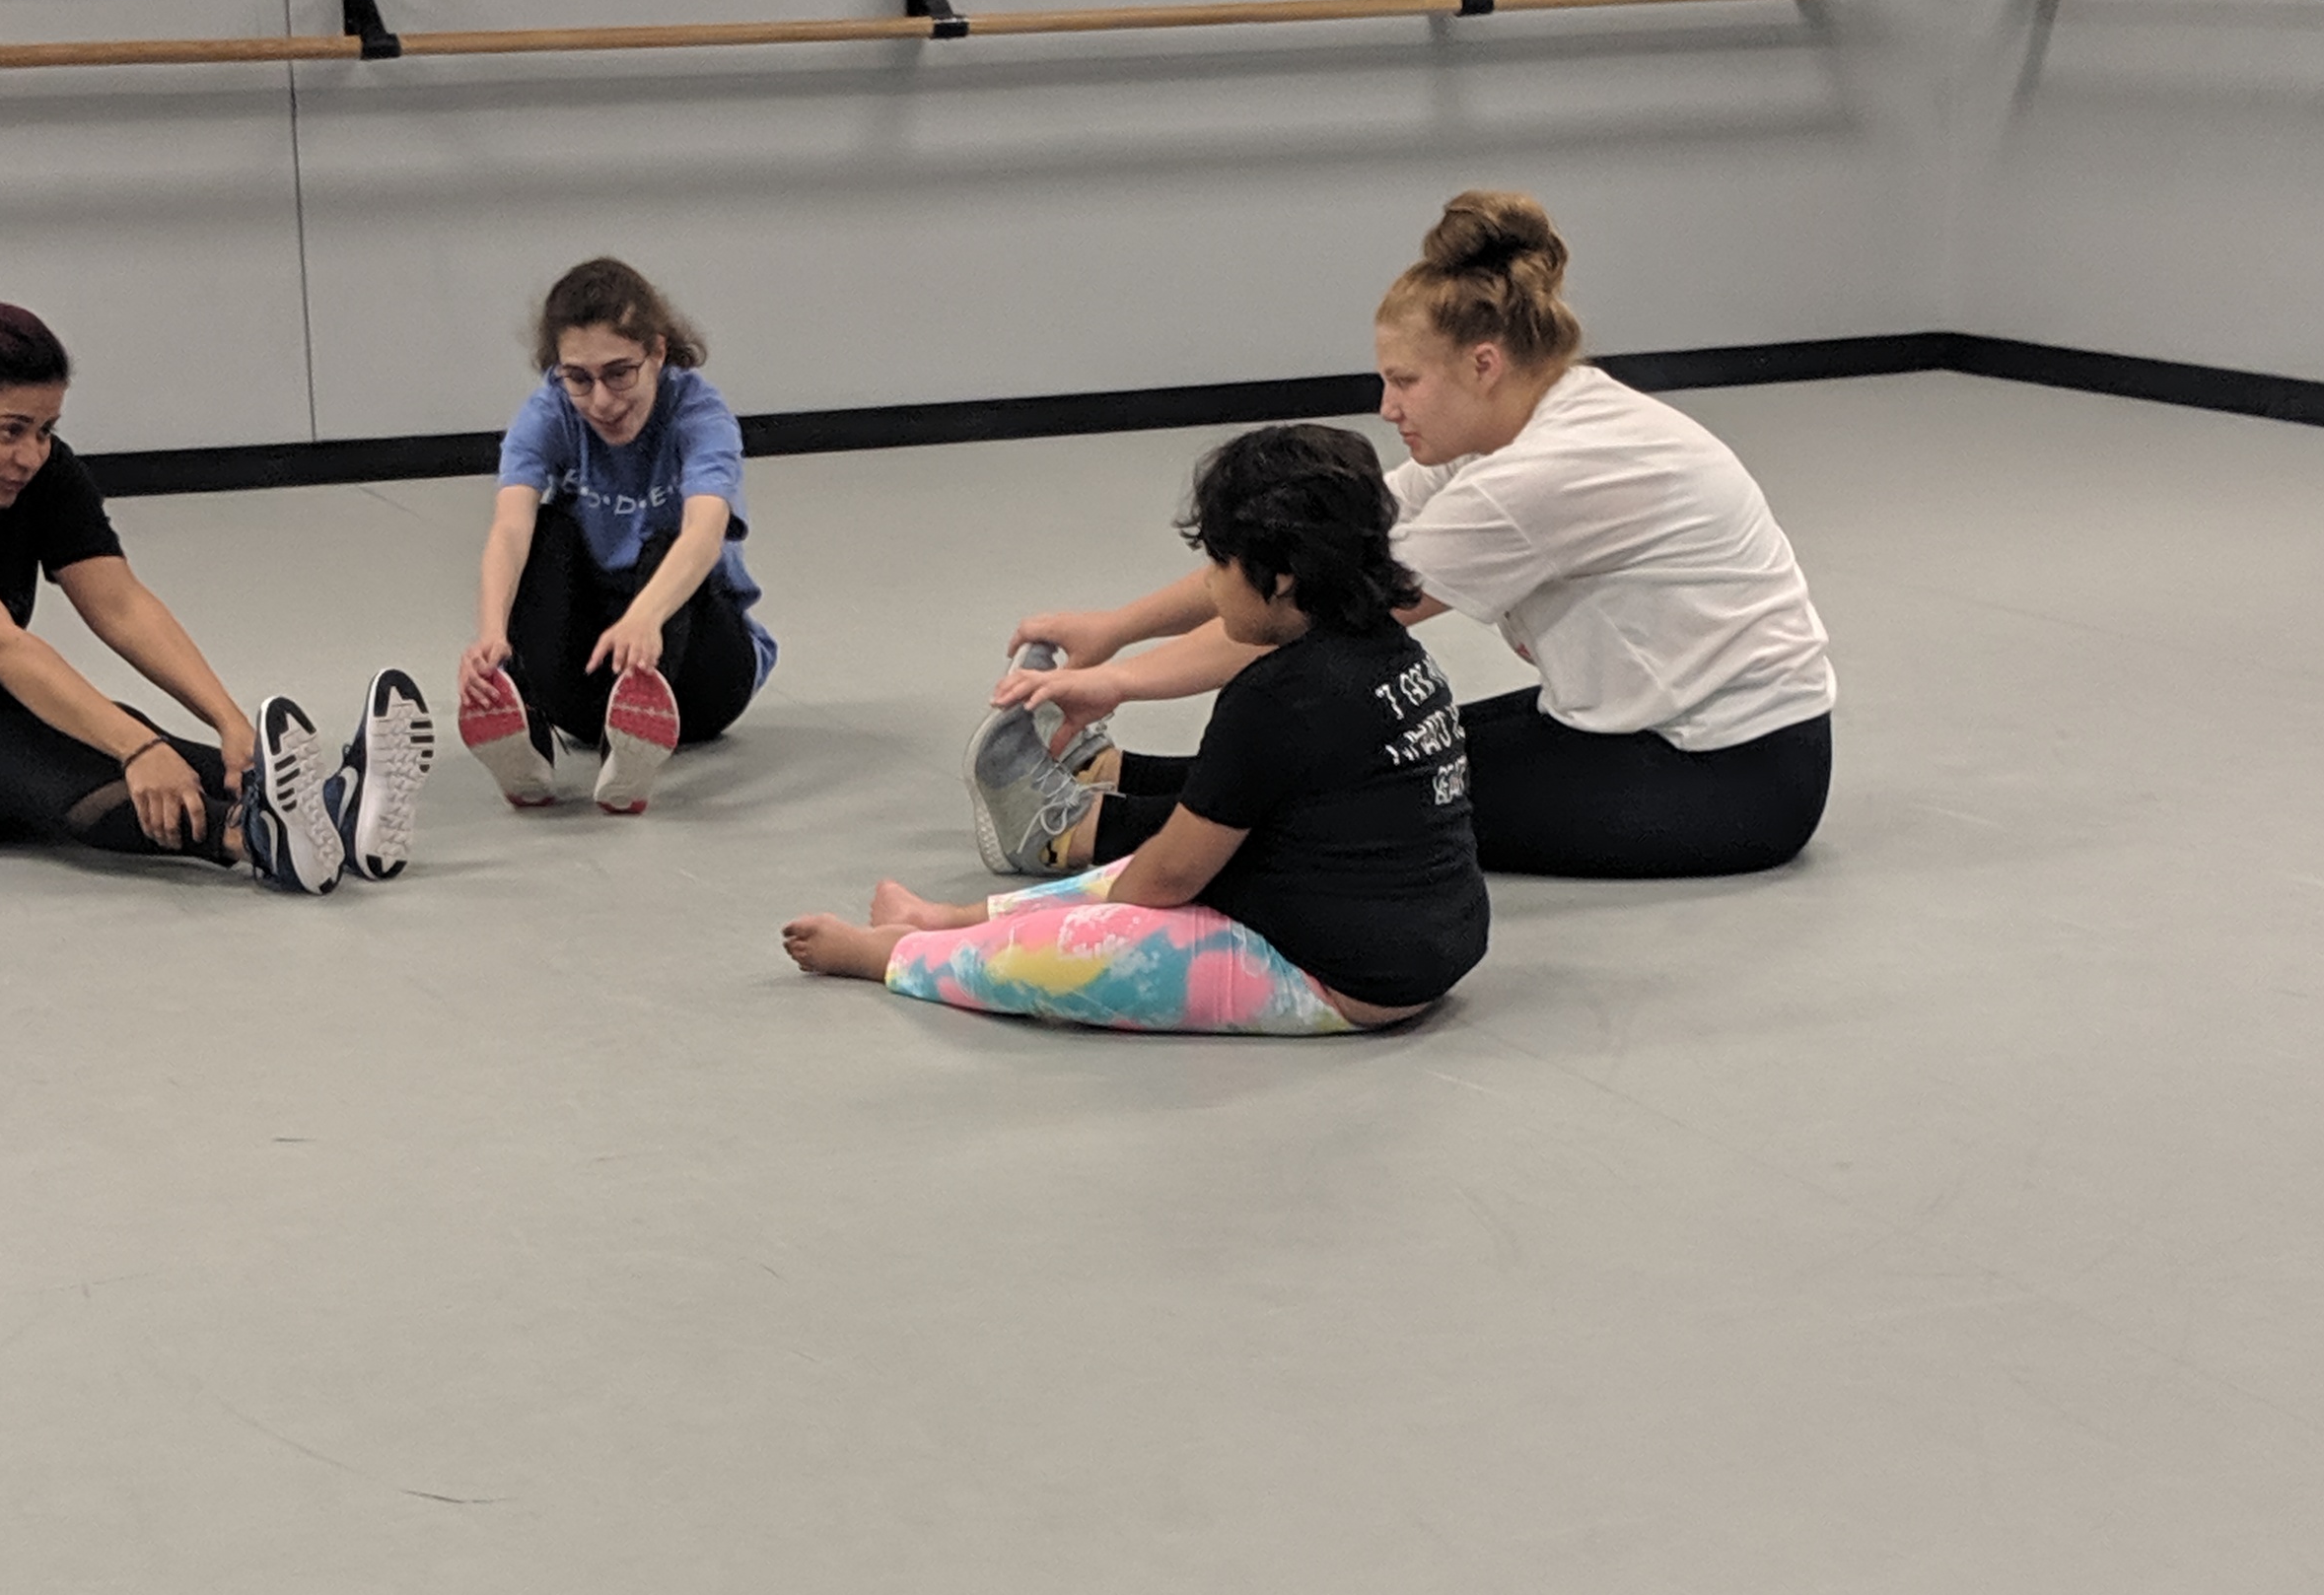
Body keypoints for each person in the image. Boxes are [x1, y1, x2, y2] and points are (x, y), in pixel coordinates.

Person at [983, 191, 1835, 882]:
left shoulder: (1540, 476)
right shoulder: (1511, 423)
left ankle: (1076, 831)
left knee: (1368, 794)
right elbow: (1308, 548)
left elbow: (1313, 609)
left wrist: (1121, 680)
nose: (1387, 408)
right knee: (1387, 747)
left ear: (1483, 363)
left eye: (1404, 381)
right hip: (1633, 729)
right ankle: (1115, 775)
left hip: (1729, 774)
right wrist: (1117, 628)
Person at [0, 271, 431, 895]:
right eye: (10, 431)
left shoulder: (44, 473)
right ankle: (253, 838)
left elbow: (122, 606)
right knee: (34, 753)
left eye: (46, 429)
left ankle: (332, 805)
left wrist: (228, 724)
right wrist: (136, 750)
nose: (31, 455)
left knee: (132, 734)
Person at [783, 423, 1485, 1034]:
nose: (1208, 584)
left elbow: (1171, 876)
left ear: (1280, 580)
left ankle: (894, 955)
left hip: (1339, 979)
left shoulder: (1273, 697)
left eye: (1219, 563)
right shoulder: (1393, 651)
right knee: (1145, 861)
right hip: (1431, 941)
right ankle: (950, 918)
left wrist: (1101, 924)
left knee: (1097, 941)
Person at [456, 255, 775, 815]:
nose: (601, 400)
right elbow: (509, 529)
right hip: (593, 683)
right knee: (545, 530)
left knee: (666, 542)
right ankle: (526, 740)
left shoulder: (699, 413)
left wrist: (645, 616)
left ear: (657, 353)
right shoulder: (549, 413)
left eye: (620, 373)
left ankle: (631, 749)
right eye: (578, 378)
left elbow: (705, 533)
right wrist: (490, 640)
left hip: (703, 677)